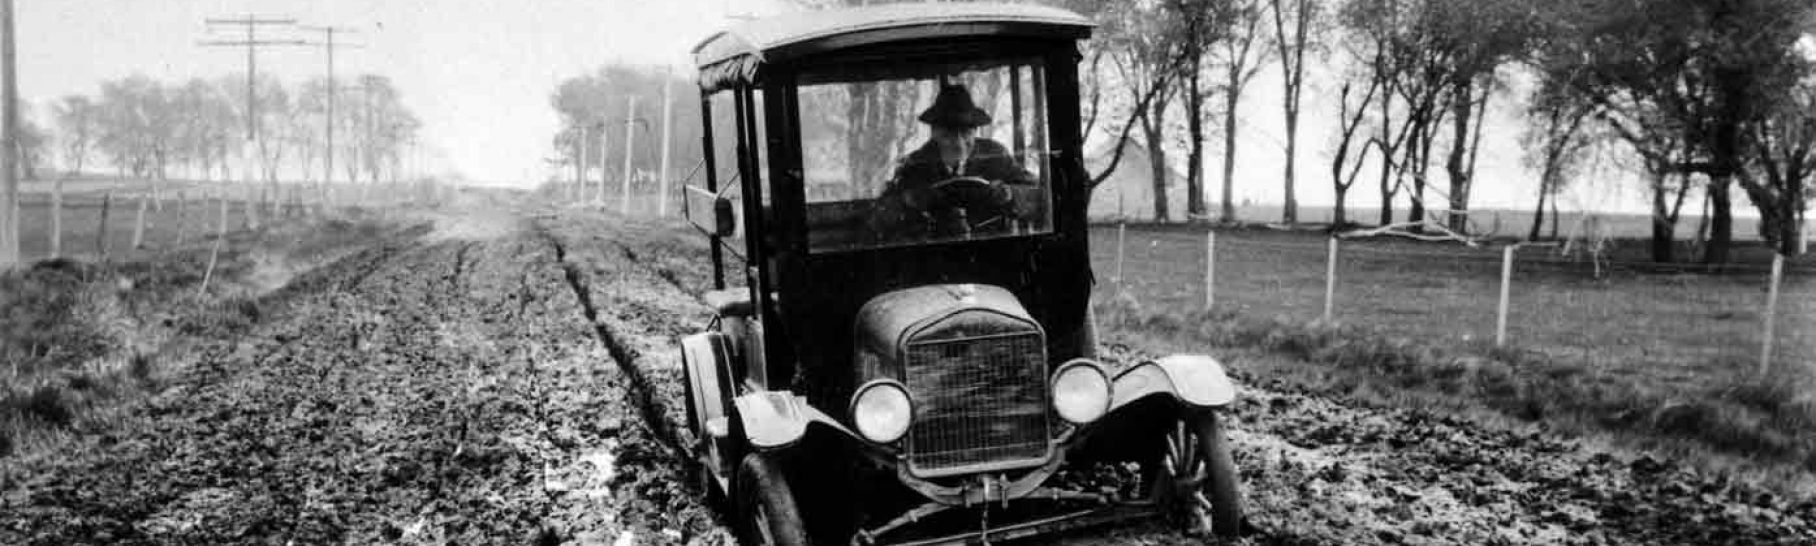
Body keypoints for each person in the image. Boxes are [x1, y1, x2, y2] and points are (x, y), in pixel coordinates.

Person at [872, 84, 1037, 237]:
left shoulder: (995, 156)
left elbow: (1038, 194)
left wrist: (1011, 194)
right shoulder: (915, 165)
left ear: (975, 131)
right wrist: (908, 200)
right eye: (949, 134)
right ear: (935, 133)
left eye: (966, 132)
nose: (958, 143)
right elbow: (879, 219)